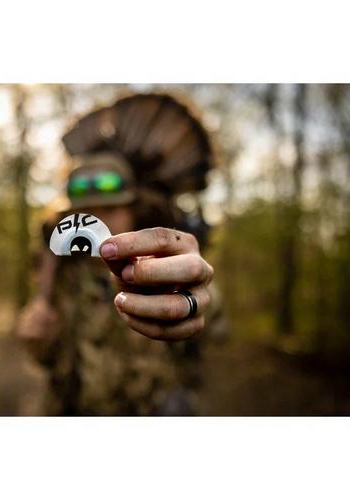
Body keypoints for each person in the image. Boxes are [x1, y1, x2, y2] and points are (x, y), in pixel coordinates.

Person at [17, 93, 225, 416]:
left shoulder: (162, 265)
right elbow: (53, 359)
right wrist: (39, 342)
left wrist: (193, 295)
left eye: (111, 209)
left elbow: (213, 324)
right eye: (86, 212)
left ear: (135, 210)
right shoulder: (58, 268)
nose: (97, 221)